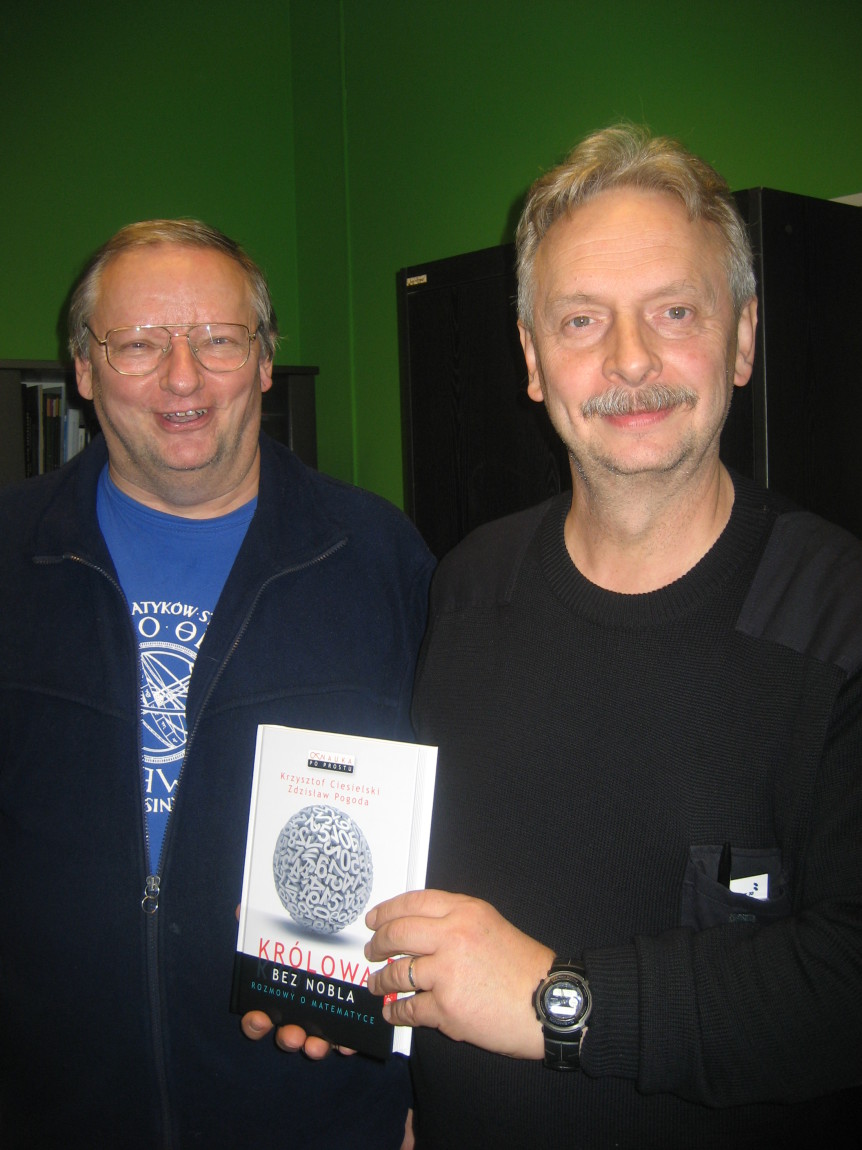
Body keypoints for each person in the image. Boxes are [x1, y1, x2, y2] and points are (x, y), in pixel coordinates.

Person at [363, 126, 862, 1147]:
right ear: (533, 360)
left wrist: (560, 1000)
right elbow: (432, 886)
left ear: (742, 337)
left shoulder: (839, 613)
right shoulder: (469, 583)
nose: (630, 359)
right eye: (582, 320)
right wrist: (347, 1008)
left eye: (674, 311)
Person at [0, 219, 434, 1149]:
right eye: (138, 343)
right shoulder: (8, 556)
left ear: (266, 361)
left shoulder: (379, 559)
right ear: (84, 369)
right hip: (52, 1107)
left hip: (315, 1105)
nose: (183, 378)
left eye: (219, 340)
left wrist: (425, 1083)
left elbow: (454, 831)